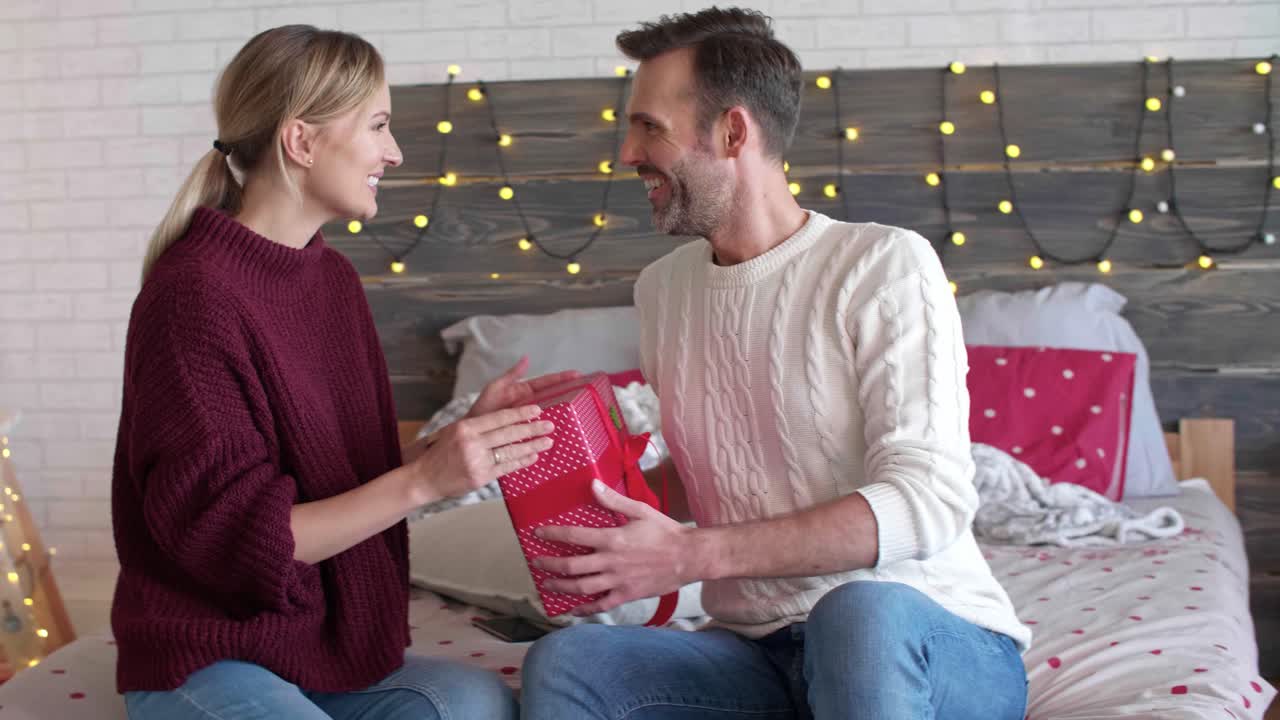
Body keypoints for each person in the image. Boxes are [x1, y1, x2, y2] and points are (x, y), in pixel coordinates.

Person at [521, 8, 1030, 719]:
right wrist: (594, 502)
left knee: (858, 616)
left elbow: (929, 502)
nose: (628, 154)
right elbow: (722, 478)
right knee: (569, 664)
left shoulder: (881, 264)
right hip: (757, 653)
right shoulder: (663, 290)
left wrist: (689, 558)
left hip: (923, 639)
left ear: (733, 132)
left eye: (649, 128)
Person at [111, 25, 567, 720]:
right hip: (209, 649)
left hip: (313, 649)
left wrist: (452, 445)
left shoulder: (332, 280)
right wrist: (423, 480)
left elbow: (345, 485)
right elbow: (237, 541)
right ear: (301, 141)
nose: (394, 152)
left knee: (475, 703)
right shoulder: (192, 298)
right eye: (378, 126)